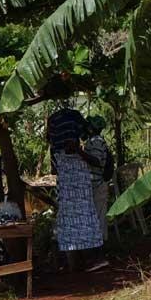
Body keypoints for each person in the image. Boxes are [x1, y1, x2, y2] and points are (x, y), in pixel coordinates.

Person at [47, 108, 103, 271]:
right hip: (76, 194)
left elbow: (54, 170)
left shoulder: (91, 145)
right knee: (82, 222)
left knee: (81, 221)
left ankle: (83, 261)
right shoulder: (67, 155)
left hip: (77, 192)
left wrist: (75, 151)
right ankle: (80, 262)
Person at [82, 116, 111, 271]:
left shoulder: (96, 142)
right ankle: (95, 257)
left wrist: (80, 153)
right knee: (96, 220)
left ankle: (100, 258)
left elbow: (97, 161)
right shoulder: (93, 141)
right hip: (94, 186)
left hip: (98, 186)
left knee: (99, 221)